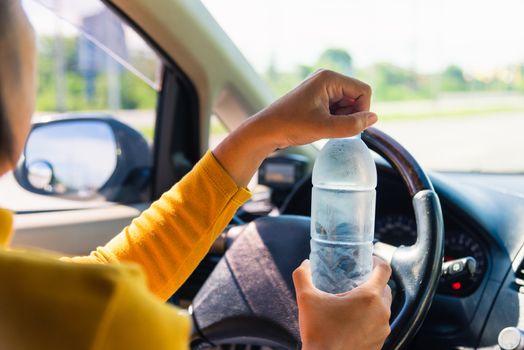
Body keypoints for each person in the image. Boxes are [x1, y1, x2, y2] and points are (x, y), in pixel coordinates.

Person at [0, 0, 392, 349]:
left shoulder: (48, 307)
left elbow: (106, 279)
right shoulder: (99, 320)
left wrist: (261, 134)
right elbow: (97, 301)